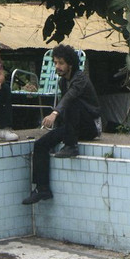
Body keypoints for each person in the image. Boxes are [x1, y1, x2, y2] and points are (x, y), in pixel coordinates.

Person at [22, 44, 101, 205]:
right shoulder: (63, 82)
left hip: (90, 126)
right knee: (41, 145)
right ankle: (42, 189)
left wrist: (54, 113)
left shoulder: (80, 78)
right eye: (56, 63)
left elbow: (69, 99)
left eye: (61, 63)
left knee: (72, 103)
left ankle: (71, 146)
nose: (57, 66)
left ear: (70, 64)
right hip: (73, 126)